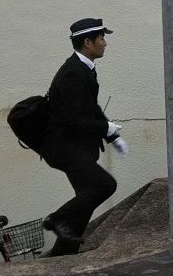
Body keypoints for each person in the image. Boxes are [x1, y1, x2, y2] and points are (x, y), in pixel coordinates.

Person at [41, 18, 127, 256]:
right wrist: (105, 128)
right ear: (88, 42)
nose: (105, 43)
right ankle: (57, 219)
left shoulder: (83, 69)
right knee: (104, 185)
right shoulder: (73, 73)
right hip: (66, 149)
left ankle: (63, 252)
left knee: (86, 198)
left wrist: (112, 136)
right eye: (102, 38)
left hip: (75, 148)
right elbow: (72, 120)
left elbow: (90, 107)